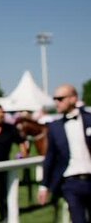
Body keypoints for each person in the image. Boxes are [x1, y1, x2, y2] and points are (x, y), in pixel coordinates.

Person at [38, 84, 91, 223]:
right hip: (70, 182)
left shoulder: (89, 119)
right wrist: (44, 186)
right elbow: (50, 158)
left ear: (73, 99)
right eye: (55, 99)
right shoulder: (55, 128)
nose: (56, 102)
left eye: (60, 98)